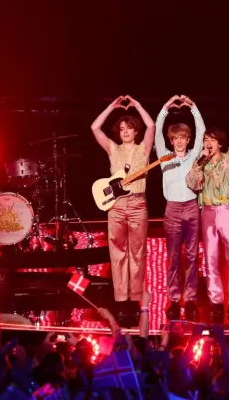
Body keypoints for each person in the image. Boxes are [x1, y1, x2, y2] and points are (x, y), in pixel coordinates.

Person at [90, 95, 155, 320]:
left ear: (135, 131)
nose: (125, 131)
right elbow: (95, 127)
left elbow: (152, 125)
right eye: (122, 128)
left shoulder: (143, 150)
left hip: (137, 202)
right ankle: (120, 300)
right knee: (117, 252)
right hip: (116, 205)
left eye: (129, 128)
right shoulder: (113, 148)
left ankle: (135, 299)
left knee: (137, 252)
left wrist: (136, 105)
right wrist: (112, 106)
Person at [186, 93, 229, 324]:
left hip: (228, 211)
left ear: (220, 143)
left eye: (212, 140)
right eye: (205, 140)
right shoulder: (200, 163)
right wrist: (199, 163)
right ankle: (215, 301)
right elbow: (192, 184)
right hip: (208, 212)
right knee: (210, 259)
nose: (208, 143)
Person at [154, 94, 206, 321]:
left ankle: (191, 299)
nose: (179, 141)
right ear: (171, 140)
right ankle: (174, 300)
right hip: (173, 209)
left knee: (193, 256)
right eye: (176, 138)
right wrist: (166, 107)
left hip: (192, 207)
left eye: (183, 138)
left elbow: (202, 130)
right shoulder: (164, 157)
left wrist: (193, 107)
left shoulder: (194, 156)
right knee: (174, 256)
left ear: (188, 139)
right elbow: (156, 130)